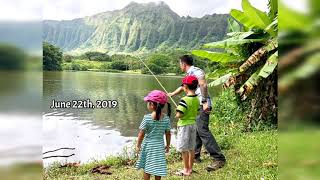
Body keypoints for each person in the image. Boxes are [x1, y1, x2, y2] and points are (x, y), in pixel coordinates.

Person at [168, 55, 226, 171]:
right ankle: (196, 156)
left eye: (180, 64)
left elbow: (203, 85)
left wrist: (204, 101)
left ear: (183, 64)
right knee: (197, 129)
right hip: (197, 103)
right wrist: (172, 94)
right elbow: (182, 86)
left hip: (202, 103)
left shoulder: (197, 71)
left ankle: (219, 158)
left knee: (203, 130)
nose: (180, 66)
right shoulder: (189, 74)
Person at [135, 90, 171, 180]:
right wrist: (168, 145)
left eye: (148, 102)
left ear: (151, 105)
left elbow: (141, 133)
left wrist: (138, 145)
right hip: (159, 146)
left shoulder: (147, 118)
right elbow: (168, 133)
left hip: (148, 145)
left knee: (147, 167)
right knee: (157, 167)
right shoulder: (166, 119)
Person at [174, 75, 200, 176]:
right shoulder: (197, 99)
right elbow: (197, 112)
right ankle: (190, 168)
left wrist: (177, 114)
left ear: (185, 86)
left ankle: (186, 169)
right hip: (193, 125)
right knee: (191, 148)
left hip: (184, 126)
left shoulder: (184, 100)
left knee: (184, 149)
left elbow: (179, 114)